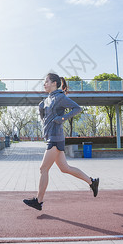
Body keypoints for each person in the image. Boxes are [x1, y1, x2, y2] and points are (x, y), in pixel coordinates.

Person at [23, 73, 99, 211]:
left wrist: (63, 118)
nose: (44, 84)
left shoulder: (60, 97)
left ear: (54, 83)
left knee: (43, 168)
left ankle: (38, 201)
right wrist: (42, 110)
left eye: (46, 81)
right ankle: (92, 181)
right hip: (51, 137)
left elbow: (77, 108)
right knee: (65, 168)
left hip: (55, 138)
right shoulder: (47, 100)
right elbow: (44, 118)